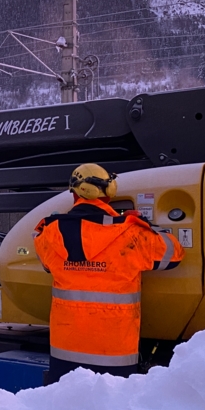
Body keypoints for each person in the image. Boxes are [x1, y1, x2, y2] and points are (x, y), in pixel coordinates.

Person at [33, 163, 184, 383]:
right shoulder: (132, 233)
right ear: (109, 192)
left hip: (64, 354)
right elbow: (175, 255)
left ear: (75, 193)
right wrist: (148, 225)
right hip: (115, 357)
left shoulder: (49, 232)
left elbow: (47, 264)